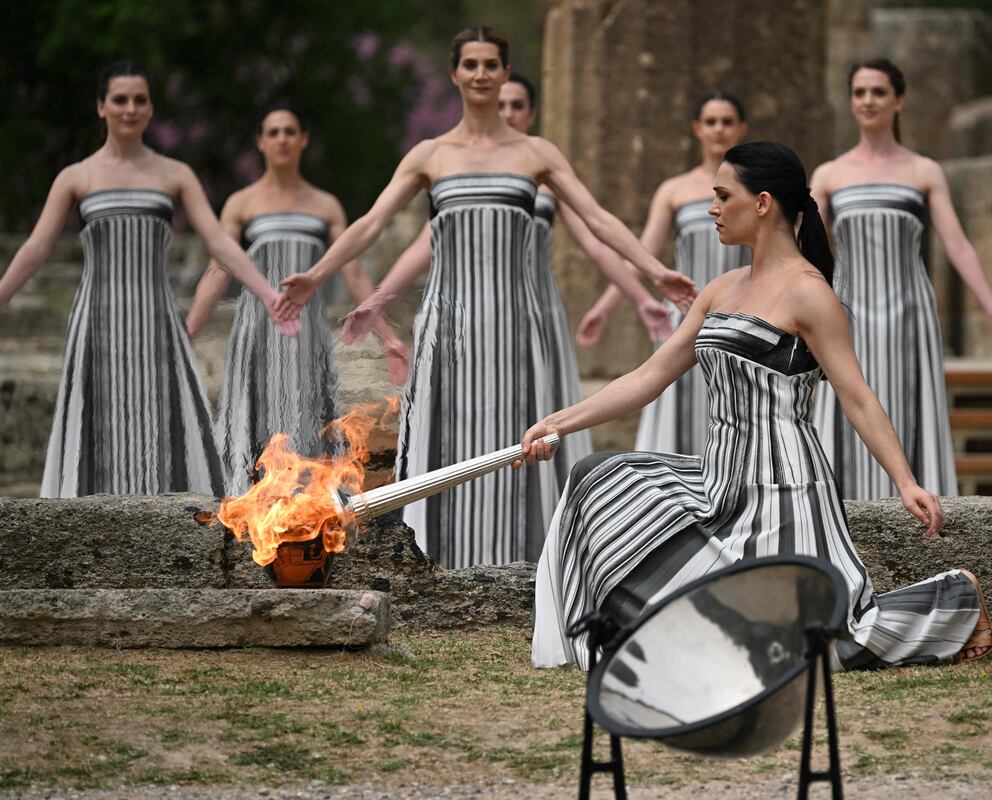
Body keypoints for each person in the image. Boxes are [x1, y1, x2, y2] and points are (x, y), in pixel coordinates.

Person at [523, 141, 992, 671]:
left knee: (804, 650)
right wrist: (556, 422)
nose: (712, 209)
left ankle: (954, 597)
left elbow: (857, 397)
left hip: (783, 494)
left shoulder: (810, 294)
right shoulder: (721, 290)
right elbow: (650, 376)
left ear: (764, 202)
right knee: (597, 478)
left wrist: (905, 481)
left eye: (724, 197)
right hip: (717, 484)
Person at [275, 27, 696, 569]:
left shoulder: (535, 153)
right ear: (455, 74)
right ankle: (434, 562)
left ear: (503, 72)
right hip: (448, 323)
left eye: (490, 65)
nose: (480, 75)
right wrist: (317, 274)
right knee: (444, 438)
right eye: (470, 65)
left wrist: (655, 270)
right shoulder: (430, 155)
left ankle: (531, 565)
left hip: (517, 324)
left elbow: (597, 219)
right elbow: (372, 222)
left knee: (524, 438)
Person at [340, 73, 674, 508]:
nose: (509, 113)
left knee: (535, 418)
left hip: (531, 316)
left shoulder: (545, 173)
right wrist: (376, 302)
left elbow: (595, 241)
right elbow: (422, 249)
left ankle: (540, 518)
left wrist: (641, 297)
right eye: (505, 105)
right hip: (465, 318)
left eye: (519, 106)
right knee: (461, 423)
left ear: (531, 113)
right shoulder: (456, 174)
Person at [0, 61, 297, 498]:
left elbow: (219, 241)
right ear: (101, 107)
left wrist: (270, 294)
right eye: (119, 100)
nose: (130, 108)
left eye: (140, 100)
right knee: (97, 427)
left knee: (164, 425)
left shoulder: (175, 175)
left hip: (158, 322)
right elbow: (35, 249)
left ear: (151, 108)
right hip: (96, 323)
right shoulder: (76, 177)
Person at [810, 58, 992, 500]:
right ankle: (843, 510)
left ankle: (920, 507)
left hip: (911, 310)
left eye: (878, 92)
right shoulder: (829, 175)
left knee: (910, 405)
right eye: (860, 92)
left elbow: (957, 244)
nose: (868, 100)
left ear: (899, 100)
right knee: (849, 404)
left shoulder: (924, 170)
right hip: (847, 315)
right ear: (851, 102)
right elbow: (807, 252)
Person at [186, 106, 407, 494]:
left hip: (306, 337)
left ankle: (307, 517)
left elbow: (353, 272)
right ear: (261, 142)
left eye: (290, 131)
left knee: (308, 428)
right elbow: (218, 271)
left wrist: (388, 337)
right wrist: (186, 333)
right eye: (273, 132)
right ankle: (245, 509)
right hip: (256, 333)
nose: (282, 139)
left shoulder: (324, 206)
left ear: (303, 139)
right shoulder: (241, 204)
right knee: (253, 429)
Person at [575, 92, 751, 456]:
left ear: (741, 129)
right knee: (677, 411)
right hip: (686, 318)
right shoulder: (674, 190)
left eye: (727, 121)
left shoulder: (754, 190)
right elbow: (644, 253)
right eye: (711, 122)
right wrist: (605, 307)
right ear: (697, 129)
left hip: (744, 316)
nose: (719, 129)